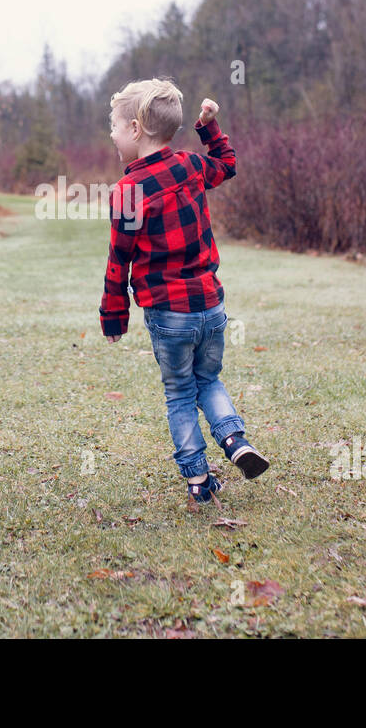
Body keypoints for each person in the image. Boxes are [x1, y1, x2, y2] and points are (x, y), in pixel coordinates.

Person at [99, 79, 269, 506]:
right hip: (210, 305)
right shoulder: (191, 166)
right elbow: (226, 163)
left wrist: (114, 315)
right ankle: (234, 439)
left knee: (179, 392)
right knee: (208, 379)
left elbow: (119, 260)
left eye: (116, 127)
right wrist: (209, 127)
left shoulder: (128, 192)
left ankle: (197, 479)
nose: (113, 135)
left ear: (136, 129)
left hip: (168, 314)